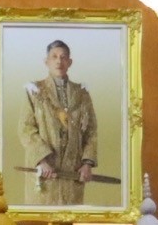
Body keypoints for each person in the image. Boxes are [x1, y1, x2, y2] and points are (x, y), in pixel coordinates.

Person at [20, 39, 99, 206]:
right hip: (45, 173)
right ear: (46, 61)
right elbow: (26, 129)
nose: (59, 61)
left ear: (69, 62)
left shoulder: (82, 94)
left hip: (73, 173)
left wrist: (87, 164)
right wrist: (42, 161)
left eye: (63, 57)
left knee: (70, 218)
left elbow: (91, 131)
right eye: (54, 57)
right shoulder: (34, 91)